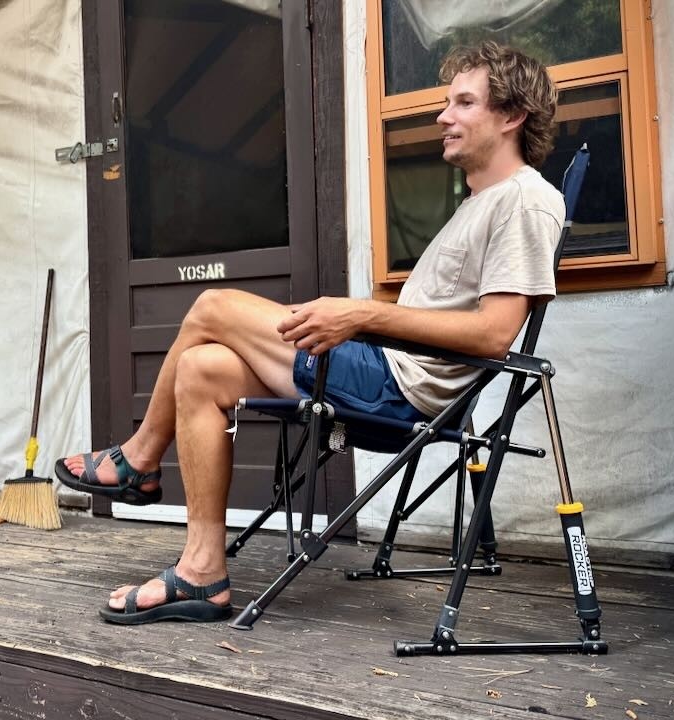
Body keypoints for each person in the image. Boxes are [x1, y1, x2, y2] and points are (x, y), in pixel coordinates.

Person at [55, 41, 565, 625]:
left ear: (512, 115)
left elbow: (495, 335)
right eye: (447, 102)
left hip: (398, 392)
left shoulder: (526, 201)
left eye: (464, 103)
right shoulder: (482, 200)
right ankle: (202, 574)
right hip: (382, 368)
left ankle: (141, 457)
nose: (443, 116)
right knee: (200, 369)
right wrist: (359, 321)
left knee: (213, 306)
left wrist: (361, 315)